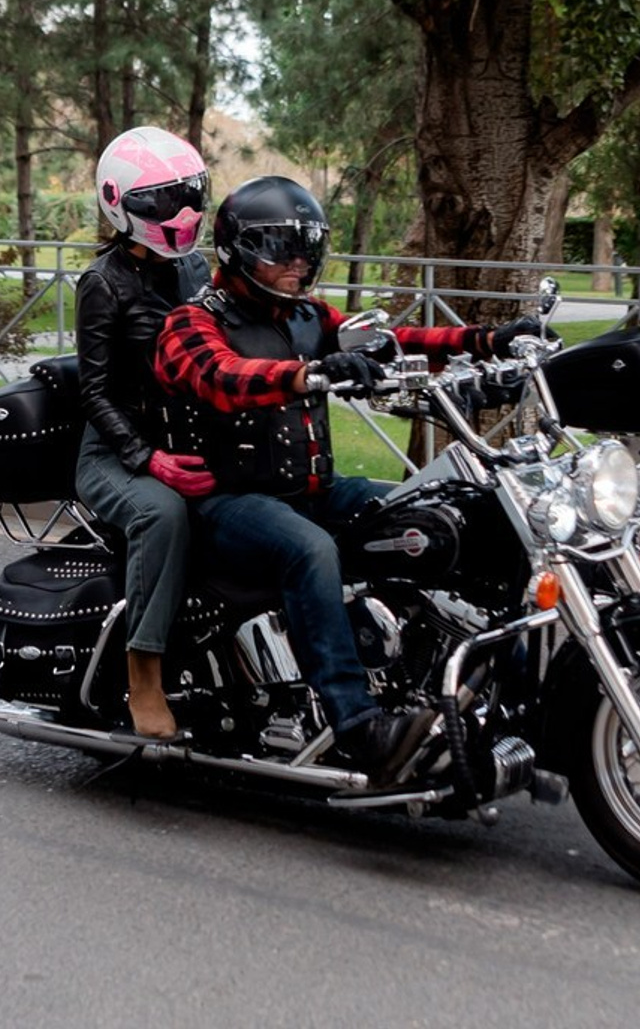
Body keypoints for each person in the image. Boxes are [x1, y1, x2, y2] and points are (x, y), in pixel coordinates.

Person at [151, 175, 540, 788]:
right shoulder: (192, 322)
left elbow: (394, 342)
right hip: (226, 500)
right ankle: (359, 725)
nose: (299, 261)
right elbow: (223, 378)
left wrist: (489, 339)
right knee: (311, 549)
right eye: (282, 246)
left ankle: (488, 691)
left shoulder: (308, 315)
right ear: (239, 248)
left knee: (439, 512)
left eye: (306, 248)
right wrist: (308, 373)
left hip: (313, 490)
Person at [75, 126, 216, 738]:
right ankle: (144, 673)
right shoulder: (102, 282)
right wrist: (147, 458)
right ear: (120, 202)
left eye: (189, 196)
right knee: (162, 515)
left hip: (184, 440)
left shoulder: (196, 270)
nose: (180, 214)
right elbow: (95, 392)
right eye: (161, 202)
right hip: (113, 452)